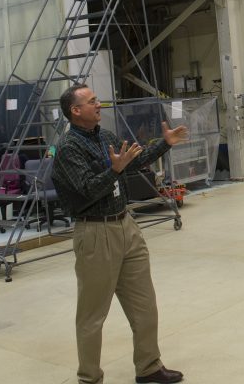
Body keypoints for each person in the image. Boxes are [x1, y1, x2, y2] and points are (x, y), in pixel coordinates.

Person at [51, 84, 188, 384]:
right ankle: (89, 377)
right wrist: (113, 171)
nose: (98, 104)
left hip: (126, 225)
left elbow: (133, 161)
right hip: (95, 232)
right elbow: (87, 190)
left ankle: (149, 366)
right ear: (75, 111)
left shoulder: (106, 136)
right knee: (92, 315)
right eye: (91, 101)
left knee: (144, 304)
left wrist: (164, 144)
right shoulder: (67, 149)